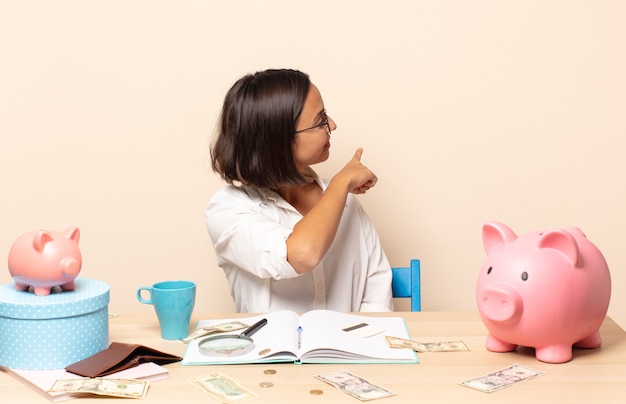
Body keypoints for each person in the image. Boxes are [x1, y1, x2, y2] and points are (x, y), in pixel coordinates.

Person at [206, 68, 393, 313]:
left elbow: (377, 295)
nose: (333, 125)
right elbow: (302, 254)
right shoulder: (227, 209)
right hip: (269, 351)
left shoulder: (347, 203)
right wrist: (340, 183)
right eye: (320, 121)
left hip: (349, 350)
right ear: (278, 140)